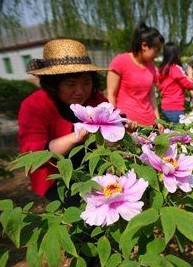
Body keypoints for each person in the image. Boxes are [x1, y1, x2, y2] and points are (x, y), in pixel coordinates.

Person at [18, 39, 108, 199]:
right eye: (71, 84)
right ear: (54, 84)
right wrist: (76, 137)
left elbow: (111, 122)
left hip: (97, 168)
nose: (80, 91)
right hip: (59, 177)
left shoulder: (96, 98)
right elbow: (31, 152)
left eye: (86, 82)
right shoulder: (34, 105)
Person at [106, 21, 164, 128]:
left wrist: (158, 120)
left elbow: (151, 96)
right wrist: (114, 123)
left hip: (149, 124)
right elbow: (111, 95)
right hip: (127, 125)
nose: (157, 55)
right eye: (156, 51)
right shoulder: (120, 62)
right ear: (144, 46)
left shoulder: (151, 67)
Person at [157, 42, 193, 123]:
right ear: (176, 54)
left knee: (169, 133)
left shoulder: (161, 69)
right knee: (178, 134)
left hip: (165, 107)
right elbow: (189, 85)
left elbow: (159, 86)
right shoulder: (175, 68)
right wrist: (190, 74)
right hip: (176, 108)